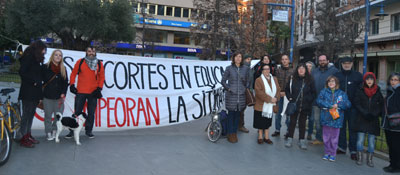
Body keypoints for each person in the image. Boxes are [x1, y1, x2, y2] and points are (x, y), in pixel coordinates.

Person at [68, 46, 105, 139]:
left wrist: (99, 88)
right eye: (89, 51)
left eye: (93, 51)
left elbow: (102, 77)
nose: (91, 53)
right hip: (80, 91)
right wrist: (72, 85)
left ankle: (88, 131)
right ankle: (72, 130)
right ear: (86, 52)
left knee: (91, 113)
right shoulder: (80, 62)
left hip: (93, 92)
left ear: (95, 52)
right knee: (77, 112)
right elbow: (73, 74)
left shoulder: (99, 64)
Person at [18, 40, 47, 148]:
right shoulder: (28, 57)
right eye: (43, 49)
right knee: (26, 115)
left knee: (31, 115)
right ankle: (23, 137)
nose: (44, 52)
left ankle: (28, 134)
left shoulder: (36, 59)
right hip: (28, 91)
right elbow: (22, 72)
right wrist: (33, 81)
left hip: (35, 92)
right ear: (39, 48)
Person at [334, 57, 363, 160]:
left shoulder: (358, 76)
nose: (346, 65)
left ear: (352, 64)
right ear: (341, 64)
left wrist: (356, 103)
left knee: (352, 129)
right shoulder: (337, 76)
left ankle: (353, 150)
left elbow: (361, 91)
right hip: (340, 107)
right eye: (344, 63)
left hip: (353, 108)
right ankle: (341, 147)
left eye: (348, 63)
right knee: (341, 128)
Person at [317, 76, 351, 162]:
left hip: (337, 119)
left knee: (335, 137)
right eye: (329, 81)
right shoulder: (323, 92)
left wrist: (338, 105)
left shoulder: (342, 93)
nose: (331, 83)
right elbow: (319, 101)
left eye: (333, 81)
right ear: (327, 83)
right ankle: (327, 152)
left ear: (336, 83)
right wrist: (329, 105)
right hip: (326, 117)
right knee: (326, 137)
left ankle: (332, 153)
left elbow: (348, 104)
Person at [353, 72, 383, 167]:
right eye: (367, 79)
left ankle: (370, 159)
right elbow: (357, 102)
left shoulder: (378, 90)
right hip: (362, 118)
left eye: (371, 79)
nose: (369, 81)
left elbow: (381, 104)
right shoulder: (360, 89)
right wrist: (364, 112)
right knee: (360, 140)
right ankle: (360, 157)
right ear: (365, 80)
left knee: (371, 141)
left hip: (373, 119)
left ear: (374, 80)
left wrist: (375, 114)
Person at [285, 63, 316, 149]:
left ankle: (301, 140)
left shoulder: (310, 80)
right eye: (299, 68)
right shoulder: (292, 79)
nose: (301, 70)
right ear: (297, 70)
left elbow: (314, 92)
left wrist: (308, 100)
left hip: (305, 105)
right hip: (295, 104)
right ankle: (290, 138)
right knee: (292, 122)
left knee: (302, 123)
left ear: (306, 70)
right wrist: (290, 98)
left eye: (303, 68)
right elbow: (287, 89)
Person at [221, 52, 250, 143]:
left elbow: (248, 81)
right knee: (231, 115)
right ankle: (230, 133)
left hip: (241, 96)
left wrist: (245, 88)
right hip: (231, 95)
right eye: (236, 57)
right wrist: (229, 89)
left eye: (240, 56)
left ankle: (234, 133)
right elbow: (223, 81)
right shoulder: (229, 68)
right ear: (233, 58)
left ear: (242, 59)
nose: (238, 58)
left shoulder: (246, 69)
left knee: (238, 115)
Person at [311, 55, 338, 145]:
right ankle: (319, 138)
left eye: (324, 60)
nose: (322, 62)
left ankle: (330, 140)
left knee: (331, 121)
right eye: (320, 60)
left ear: (328, 61)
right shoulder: (314, 72)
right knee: (317, 121)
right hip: (316, 102)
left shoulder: (334, 71)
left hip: (330, 102)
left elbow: (337, 85)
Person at [42, 50, 69, 141]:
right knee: (48, 116)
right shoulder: (45, 67)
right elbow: (42, 80)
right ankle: (48, 132)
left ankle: (54, 130)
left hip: (59, 97)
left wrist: (63, 93)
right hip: (47, 96)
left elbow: (65, 83)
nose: (58, 57)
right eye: (56, 55)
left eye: (60, 55)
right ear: (52, 56)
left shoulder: (63, 68)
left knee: (58, 116)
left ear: (61, 58)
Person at [253, 64, 280, 144]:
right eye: (265, 69)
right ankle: (260, 137)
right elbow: (259, 93)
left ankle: (267, 137)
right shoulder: (258, 80)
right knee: (261, 122)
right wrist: (270, 99)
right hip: (261, 105)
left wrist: (276, 98)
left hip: (270, 106)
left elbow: (278, 89)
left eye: (268, 69)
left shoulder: (274, 79)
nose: (267, 70)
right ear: (262, 70)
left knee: (268, 121)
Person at [271, 55, 294, 138]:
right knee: (278, 114)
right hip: (279, 95)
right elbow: (274, 82)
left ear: (289, 60)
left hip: (288, 96)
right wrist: (279, 91)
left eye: (286, 59)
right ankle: (277, 130)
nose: (284, 61)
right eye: (283, 59)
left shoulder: (293, 71)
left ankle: (288, 131)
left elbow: (293, 84)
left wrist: (287, 93)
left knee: (288, 115)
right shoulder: (277, 70)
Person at [382, 73, 400, 173]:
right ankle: (392, 164)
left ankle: (397, 166)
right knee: (391, 145)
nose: (393, 82)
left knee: (396, 146)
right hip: (388, 123)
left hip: (397, 124)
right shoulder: (389, 91)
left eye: (396, 80)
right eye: (392, 79)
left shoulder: (398, 91)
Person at [238, 54, 253, 133]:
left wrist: (250, 89)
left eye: (250, 59)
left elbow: (251, 80)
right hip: (242, 91)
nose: (249, 61)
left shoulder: (250, 69)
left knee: (242, 109)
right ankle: (240, 125)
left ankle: (240, 125)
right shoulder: (242, 69)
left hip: (247, 91)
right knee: (240, 108)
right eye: (248, 59)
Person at [305, 61, 315, 140]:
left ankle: (310, 133)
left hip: (312, 100)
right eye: (307, 66)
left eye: (310, 66)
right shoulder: (301, 75)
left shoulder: (315, 76)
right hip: (303, 100)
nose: (308, 67)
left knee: (311, 118)